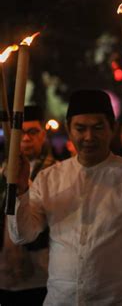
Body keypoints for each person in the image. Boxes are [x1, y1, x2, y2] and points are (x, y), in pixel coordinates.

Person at [7, 90, 122, 305]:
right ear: (69, 129)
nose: (89, 137)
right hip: (61, 299)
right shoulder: (50, 178)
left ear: (112, 128)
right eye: (80, 129)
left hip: (116, 299)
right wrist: (19, 192)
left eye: (97, 128)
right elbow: (22, 235)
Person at [0, 105, 55, 305]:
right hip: (4, 276)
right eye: (20, 133)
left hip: (40, 275)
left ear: (43, 135)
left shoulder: (55, 174)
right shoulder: (2, 170)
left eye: (33, 132)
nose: (25, 138)